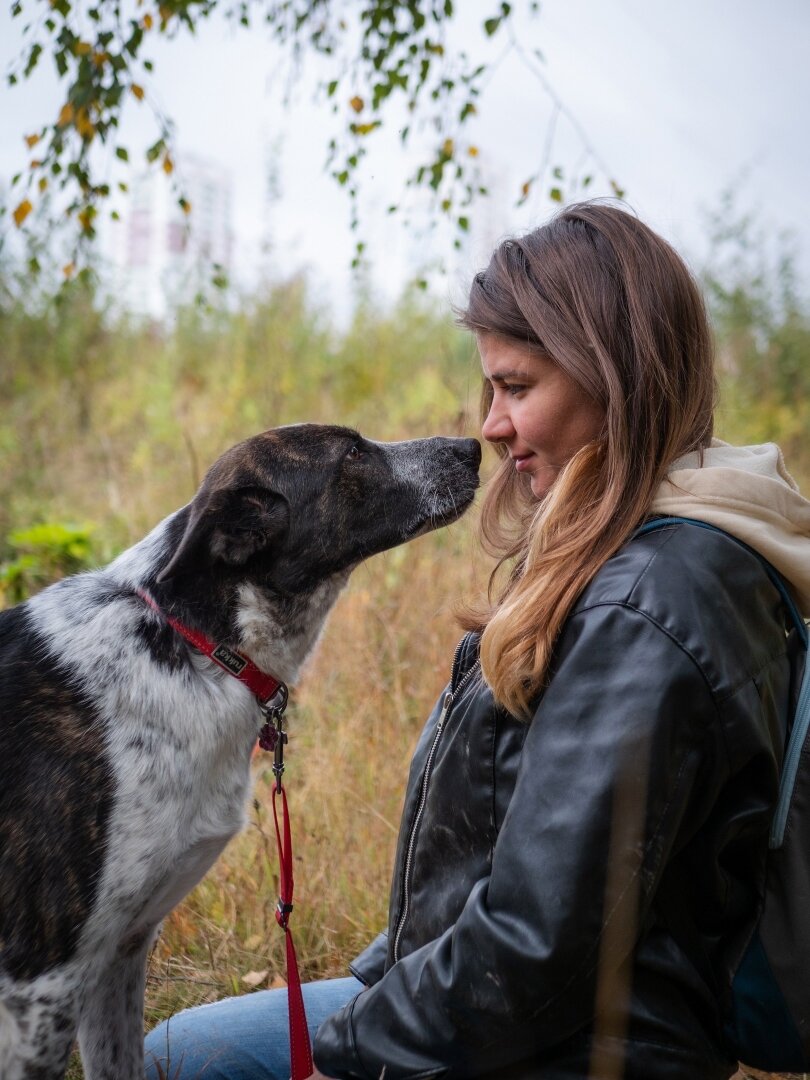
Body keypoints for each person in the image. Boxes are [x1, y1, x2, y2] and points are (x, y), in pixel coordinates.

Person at [144, 202, 810, 1079]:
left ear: (616, 378)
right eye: (491, 387)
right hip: (500, 1017)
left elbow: (533, 950)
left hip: (566, 1051)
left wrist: (340, 1050)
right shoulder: (669, 546)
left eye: (519, 388)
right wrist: (385, 983)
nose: (491, 426)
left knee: (184, 1062)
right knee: (186, 1046)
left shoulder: (647, 607)